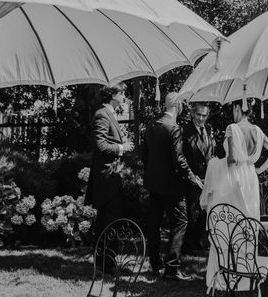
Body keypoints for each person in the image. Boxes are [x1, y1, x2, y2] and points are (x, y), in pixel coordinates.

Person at [200, 99, 268, 293]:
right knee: (246, 226)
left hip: (232, 181)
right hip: (250, 180)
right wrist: (259, 169)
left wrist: (213, 163)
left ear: (238, 108)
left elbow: (232, 159)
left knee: (226, 225)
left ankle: (225, 275)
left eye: (233, 109)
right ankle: (246, 276)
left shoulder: (232, 128)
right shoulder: (257, 131)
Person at [143, 92, 203, 280]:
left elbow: (144, 153)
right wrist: (193, 178)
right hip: (171, 187)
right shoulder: (174, 128)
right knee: (180, 222)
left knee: (154, 225)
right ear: (179, 106)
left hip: (153, 184)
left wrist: (153, 171)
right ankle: (171, 268)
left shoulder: (152, 124)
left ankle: (155, 265)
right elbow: (178, 160)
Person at [85, 82, 134, 266]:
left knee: (110, 219)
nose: (124, 97)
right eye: (123, 93)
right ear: (113, 94)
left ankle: (106, 261)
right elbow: (100, 145)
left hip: (112, 175)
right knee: (110, 219)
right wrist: (122, 147)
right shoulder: (102, 115)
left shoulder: (109, 114)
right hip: (106, 177)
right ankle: (106, 263)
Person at [181, 103, 221, 254]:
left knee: (205, 211)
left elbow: (211, 152)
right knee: (191, 212)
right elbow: (181, 156)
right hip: (192, 178)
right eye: (198, 115)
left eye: (204, 116)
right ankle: (188, 244)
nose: (201, 118)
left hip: (208, 178)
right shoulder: (184, 131)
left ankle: (199, 240)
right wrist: (193, 176)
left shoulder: (209, 129)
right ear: (192, 114)